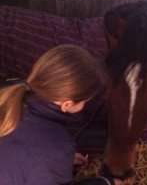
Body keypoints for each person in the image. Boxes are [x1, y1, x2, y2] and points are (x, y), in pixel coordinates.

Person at [0, 45, 126, 185]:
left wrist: (58, 161)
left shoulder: (7, 96)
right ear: (67, 104)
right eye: (85, 101)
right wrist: (104, 182)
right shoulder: (58, 146)